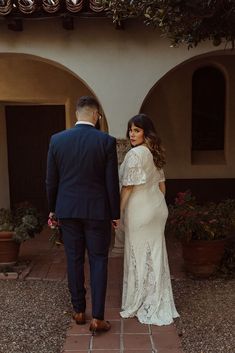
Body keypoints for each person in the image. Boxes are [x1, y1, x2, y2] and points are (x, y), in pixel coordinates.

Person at [46, 96, 120, 333]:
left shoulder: (57, 140)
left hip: (67, 209)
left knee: (74, 259)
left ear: (76, 115)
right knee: (99, 260)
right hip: (97, 210)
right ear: (96, 115)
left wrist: (53, 209)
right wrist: (115, 213)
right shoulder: (105, 141)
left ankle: (78, 310)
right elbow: (111, 181)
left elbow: (50, 181)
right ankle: (98, 317)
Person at [119, 113, 179, 325]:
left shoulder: (135, 154)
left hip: (140, 209)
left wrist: (118, 212)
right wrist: (156, 204)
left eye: (136, 130)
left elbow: (127, 187)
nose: (131, 134)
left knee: (137, 254)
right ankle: (156, 297)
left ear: (146, 132)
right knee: (155, 253)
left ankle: (141, 300)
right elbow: (162, 185)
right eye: (130, 130)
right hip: (157, 206)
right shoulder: (154, 153)